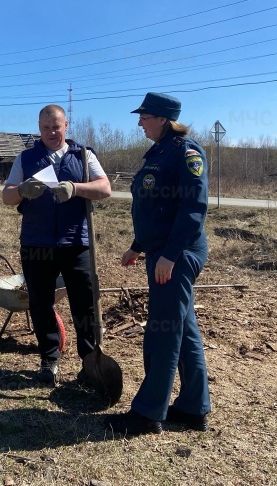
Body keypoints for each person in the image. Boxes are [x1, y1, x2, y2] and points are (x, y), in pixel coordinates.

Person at [108, 92, 211, 435]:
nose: (139, 122)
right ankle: (193, 408)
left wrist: (169, 255)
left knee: (162, 332)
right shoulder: (158, 153)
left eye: (145, 117)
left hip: (176, 254)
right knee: (184, 329)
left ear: (163, 119)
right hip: (162, 249)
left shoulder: (186, 152)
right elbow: (156, 210)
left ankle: (148, 413)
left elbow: (193, 209)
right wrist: (138, 246)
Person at [2, 104, 111, 385]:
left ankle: (90, 361)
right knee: (40, 302)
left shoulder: (83, 156)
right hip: (36, 244)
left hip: (76, 242)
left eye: (56, 126)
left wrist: (76, 188)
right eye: (45, 127)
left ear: (66, 125)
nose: (51, 132)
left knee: (84, 304)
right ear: (39, 129)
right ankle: (49, 359)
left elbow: (104, 188)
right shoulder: (26, 158)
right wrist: (22, 190)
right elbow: (7, 197)